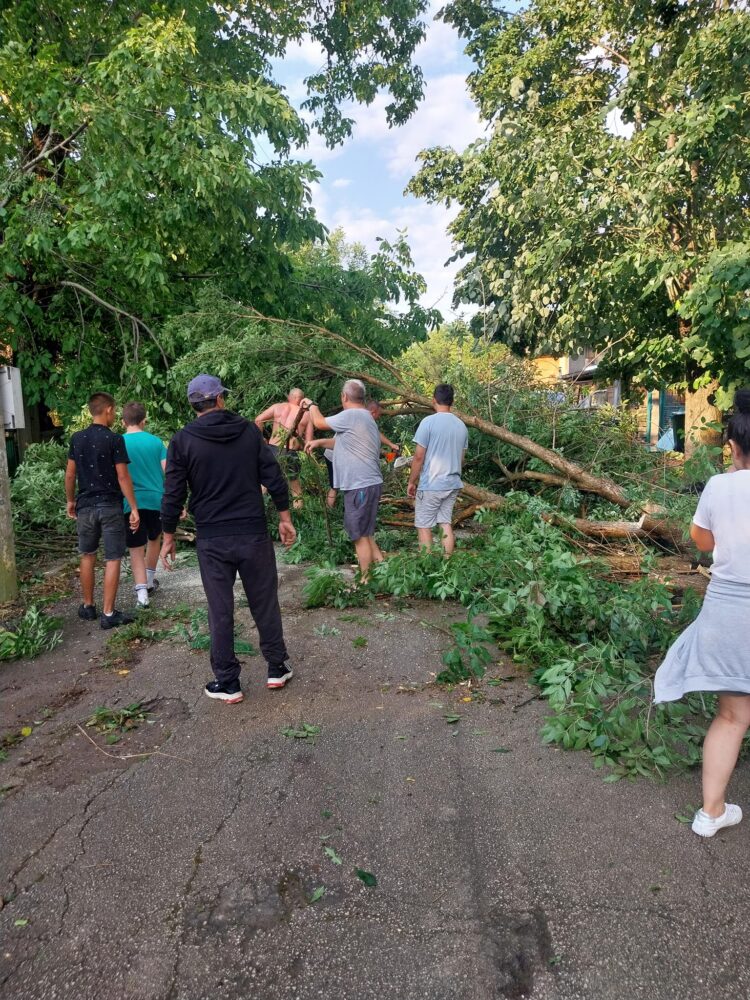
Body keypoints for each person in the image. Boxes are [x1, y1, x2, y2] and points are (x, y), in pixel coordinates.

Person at [160, 374, 296, 704]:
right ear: (220, 399)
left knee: (220, 608)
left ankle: (227, 682)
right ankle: (276, 667)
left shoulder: (182, 441)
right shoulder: (249, 431)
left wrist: (167, 537)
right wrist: (284, 517)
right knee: (264, 599)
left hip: (212, 539)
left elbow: (173, 493)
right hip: (252, 532)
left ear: (194, 405)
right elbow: (273, 476)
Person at [654, 389, 750, 837]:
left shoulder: (718, 486)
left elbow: (703, 542)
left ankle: (710, 813)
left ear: (731, 447)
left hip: (729, 613)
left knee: (732, 716)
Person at [65, 392, 139, 629]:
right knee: (113, 557)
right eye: (114, 410)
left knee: (87, 554)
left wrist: (70, 501)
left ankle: (88, 606)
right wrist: (134, 507)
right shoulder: (115, 439)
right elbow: (122, 475)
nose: (115, 414)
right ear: (107, 409)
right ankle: (108, 613)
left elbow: (70, 473)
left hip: (85, 507)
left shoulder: (77, 439)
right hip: (110, 507)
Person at [302, 380, 384, 580]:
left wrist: (311, 406)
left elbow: (319, 422)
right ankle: (383, 571)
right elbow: (340, 442)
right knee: (365, 532)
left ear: (344, 397)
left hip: (360, 484)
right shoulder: (364, 417)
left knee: (358, 534)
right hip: (368, 482)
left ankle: (365, 580)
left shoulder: (352, 415)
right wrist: (319, 442)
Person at [407, 383, 468, 556]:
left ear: (433, 400)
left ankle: (426, 564)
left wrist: (412, 481)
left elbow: (419, 457)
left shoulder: (428, 423)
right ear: (452, 401)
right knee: (444, 522)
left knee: (423, 525)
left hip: (432, 484)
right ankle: (447, 564)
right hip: (453, 483)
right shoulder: (461, 426)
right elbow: (461, 459)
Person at [308, 399, 400, 509]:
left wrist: (391, 445)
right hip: (334, 455)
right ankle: (332, 511)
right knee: (339, 486)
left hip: (341, 455)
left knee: (348, 484)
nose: (378, 418)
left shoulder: (364, 420)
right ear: (373, 412)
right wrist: (312, 405)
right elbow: (321, 424)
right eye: (378, 415)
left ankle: (347, 508)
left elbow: (376, 434)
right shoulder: (357, 419)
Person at [121, 402, 167, 608]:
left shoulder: (118, 442)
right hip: (156, 499)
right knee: (154, 538)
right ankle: (149, 581)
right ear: (144, 421)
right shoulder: (156, 442)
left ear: (123, 422)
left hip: (130, 503)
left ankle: (141, 594)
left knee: (135, 547)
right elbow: (168, 471)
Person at [254, 388, 313, 507]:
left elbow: (258, 420)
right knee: (295, 490)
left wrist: (262, 441)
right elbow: (309, 443)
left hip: (272, 449)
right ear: (302, 400)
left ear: (290, 397)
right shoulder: (307, 415)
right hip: (290, 453)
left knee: (264, 484)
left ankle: (257, 511)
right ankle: (300, 518)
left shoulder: (277, 407)